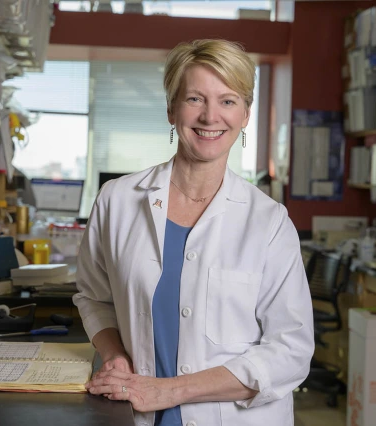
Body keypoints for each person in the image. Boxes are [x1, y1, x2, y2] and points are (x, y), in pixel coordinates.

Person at [74, 39, 314, 426]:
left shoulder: (269, 222)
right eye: (195, 99)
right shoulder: (116, 201)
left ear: (246, 115)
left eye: (228, 101)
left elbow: (290, 351)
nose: (210, 116)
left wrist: (170, 390)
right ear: (171, 109)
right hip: (132, 414)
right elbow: (93, 298)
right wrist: (114, 354)